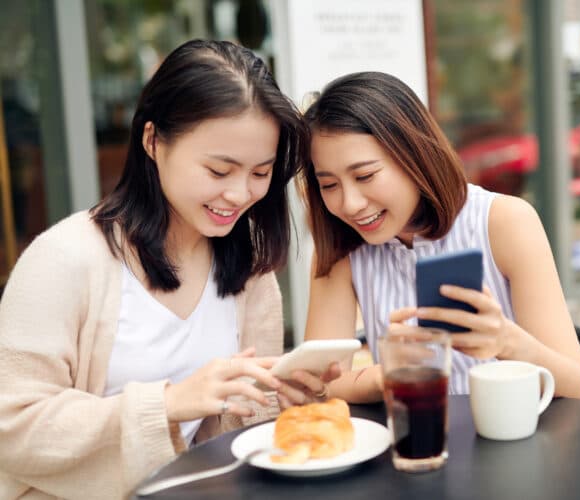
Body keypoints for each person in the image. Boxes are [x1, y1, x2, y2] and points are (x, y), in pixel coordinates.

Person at [0, 40, 337, 500]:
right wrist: (168, 404)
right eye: (220, 171)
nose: (240, 195)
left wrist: (284, 396)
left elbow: (239, 436)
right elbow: (11, 428)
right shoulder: (65, 259)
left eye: (260, 173)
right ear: (153, 141)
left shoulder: (250, 269)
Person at [299, 71, 580, 402]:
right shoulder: (341, 248)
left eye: (365, 176)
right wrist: (386, 376)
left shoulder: (505, 221)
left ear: (413, 156)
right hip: (416, 443)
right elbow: (317, 388)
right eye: (329, 185)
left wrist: (507, 342)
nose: (350, 204)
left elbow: (578, 388)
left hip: (514, 441)